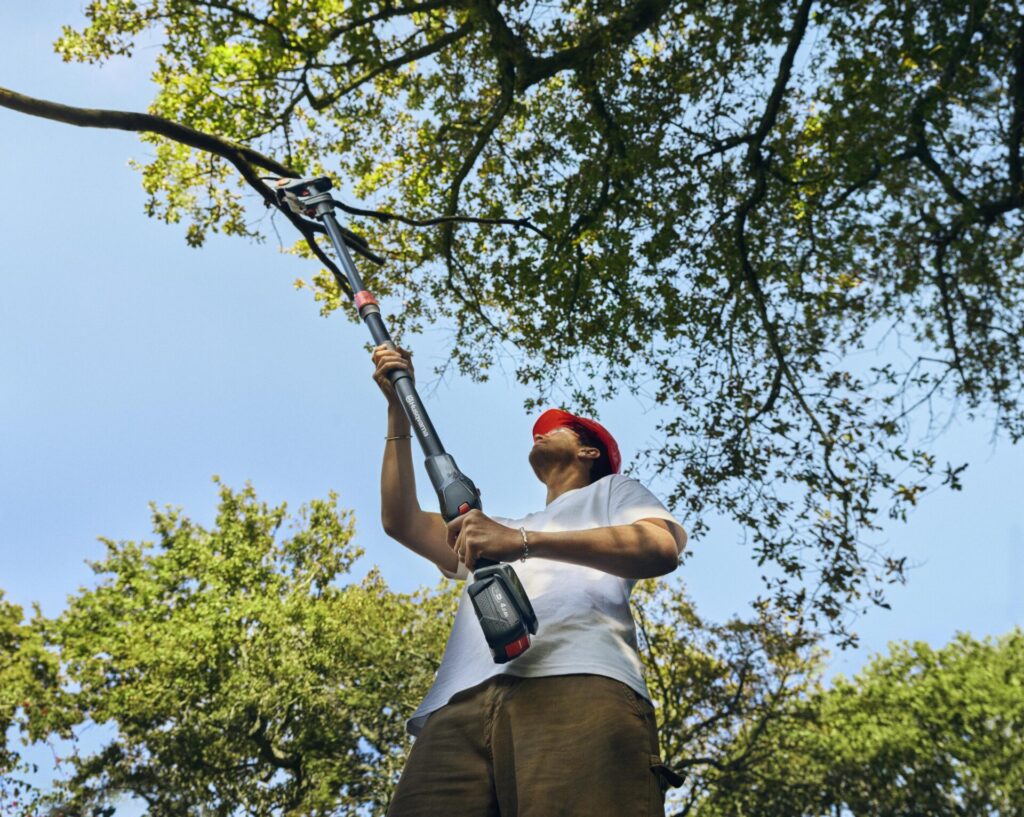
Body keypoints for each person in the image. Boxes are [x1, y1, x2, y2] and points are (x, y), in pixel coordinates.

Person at [371, 344, 687, 817]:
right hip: (456, 708)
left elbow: (658, 548)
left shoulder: (612, 492)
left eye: (555, 428)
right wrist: (398, 409)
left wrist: (520, 541)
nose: (539, 433)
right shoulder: (492, 531)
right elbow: (400, 521)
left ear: (588, 449)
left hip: (579, 682)